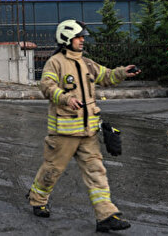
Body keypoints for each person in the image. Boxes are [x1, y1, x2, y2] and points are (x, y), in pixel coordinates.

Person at [27, 18, 139, 231]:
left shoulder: (85, 63)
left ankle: (106, 215)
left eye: (82, 37)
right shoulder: (56, 62)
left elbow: (106, 76)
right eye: (78, 37)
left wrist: (123, 72)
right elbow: (47, 86)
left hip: (88, 133)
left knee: (97, 172)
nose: (82, 40)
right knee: (52, 170)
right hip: (64, 133)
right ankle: (37, 200)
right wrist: (65, 98)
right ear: (66, 39)